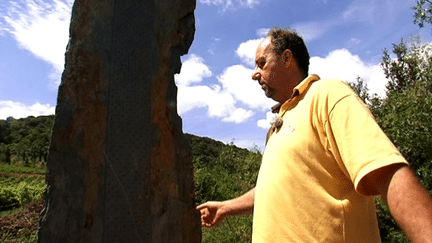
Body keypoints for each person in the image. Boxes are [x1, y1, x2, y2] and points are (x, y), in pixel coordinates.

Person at [196, 27, 432, 242]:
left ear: (287, 58)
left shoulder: (326, 94)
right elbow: (274, 189)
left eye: (261, 63)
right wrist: (226, 207)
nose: (254, 74)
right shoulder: (277, 127)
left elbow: (387, 172)